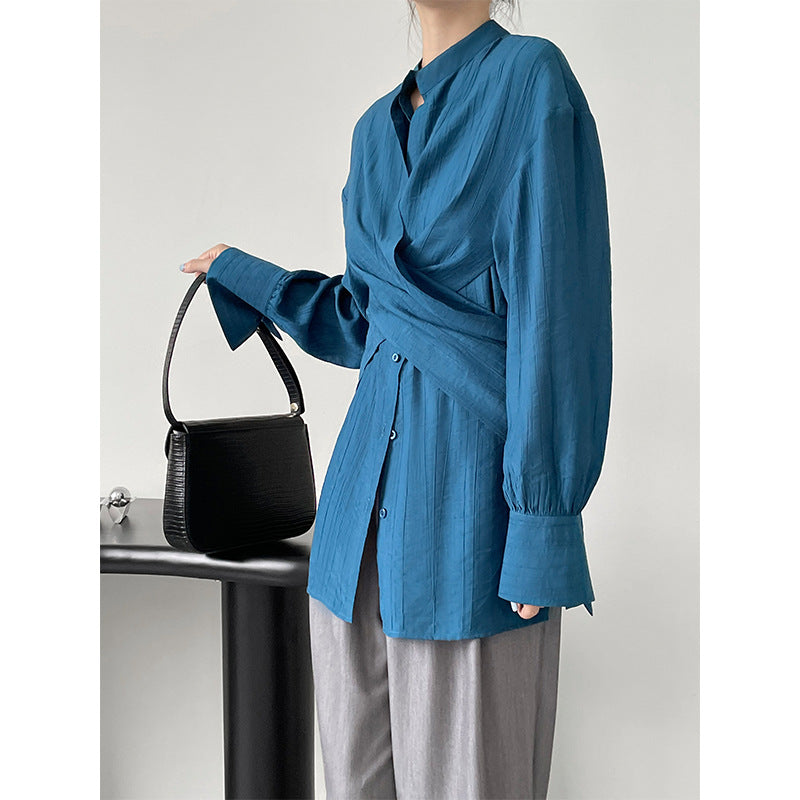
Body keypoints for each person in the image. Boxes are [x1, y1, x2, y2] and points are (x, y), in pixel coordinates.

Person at [181, 1, 612, 797]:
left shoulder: (532, 81)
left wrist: (544, 523)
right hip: (351, 538)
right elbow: (366, 322)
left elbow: (561, 315)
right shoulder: (371, 135)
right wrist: (245, 276)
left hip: (470, 528)